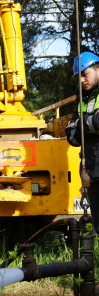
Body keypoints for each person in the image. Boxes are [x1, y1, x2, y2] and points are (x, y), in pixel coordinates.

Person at [66, 51, 99, 231]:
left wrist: (82, 123)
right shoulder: (83, 101)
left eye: (85, 74)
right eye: (78, 77)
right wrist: (88, 123)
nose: (81, 81)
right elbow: (71, 136)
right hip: (93, 173)